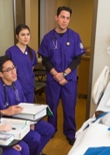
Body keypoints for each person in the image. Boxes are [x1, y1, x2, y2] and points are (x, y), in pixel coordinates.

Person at [0, 56, 55, 155]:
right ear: (0, 74)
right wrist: (6, 111)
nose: (14, 72)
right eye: (9, 70)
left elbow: (23, 103)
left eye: (14, 67)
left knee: (49, 129)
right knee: (35, 138)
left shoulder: (16, 82)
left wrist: (30, 121)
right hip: (7, 123)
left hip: (23, 118)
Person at [38, 6, 85, 146]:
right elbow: (45, 60)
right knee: (51, 107)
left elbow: (77, 59)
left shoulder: (75, 37)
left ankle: (70, 133)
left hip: (69, 80)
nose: (65, 21)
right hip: (53, 80)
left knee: (69, 107)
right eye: (62, 17)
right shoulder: (47, 38)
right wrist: (56, 75)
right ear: (56, 17)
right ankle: (51, 130)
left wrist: (64, 74)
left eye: (67, 18)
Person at [5, 24, 37, 103]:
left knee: (28, 111)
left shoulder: (32, 52)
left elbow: (31, 69)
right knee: (18, 112)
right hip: (15, 87)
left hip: (29, 87)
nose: (26, 37)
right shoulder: (10, 52)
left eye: (28, 34)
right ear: (17, 36)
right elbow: (7, 71)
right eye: (23, 35)